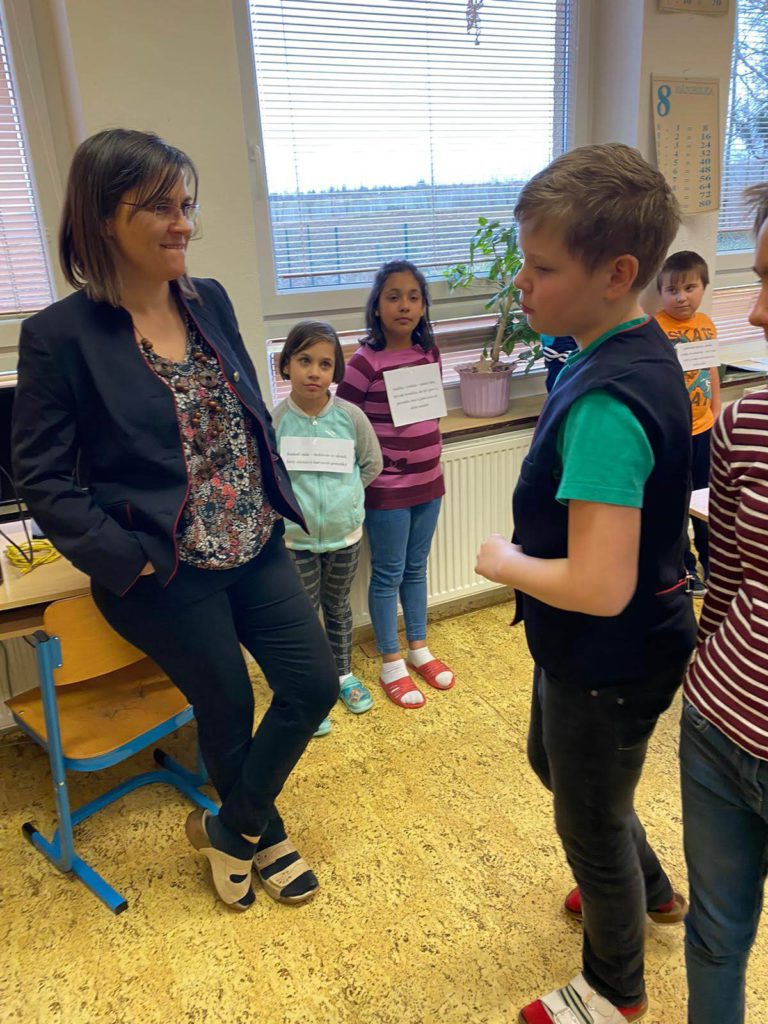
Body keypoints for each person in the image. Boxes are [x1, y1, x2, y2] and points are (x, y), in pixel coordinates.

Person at [11, 129, 339, 911]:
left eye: (186, 204)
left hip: (253, 542)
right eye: (159, 207)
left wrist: (271, 493)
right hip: (165, 567)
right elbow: (42, 477)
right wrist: (125, 557)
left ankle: (232, 828)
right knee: (228, 705)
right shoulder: (59, 337)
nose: (183, 222)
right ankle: (267, 834)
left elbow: (243, 413)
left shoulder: (208, 299)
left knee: (313, 684)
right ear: (102, 218)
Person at [475, 143, 697, 1024]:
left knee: (589, 825)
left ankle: (614, 989)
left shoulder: (608, 401)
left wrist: (504, 563)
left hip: (612, 651)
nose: (522, 282)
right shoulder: (621, 348)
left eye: (542, 267)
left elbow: (601, 587)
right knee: (558, 766)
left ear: (617, 274)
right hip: (597, 647)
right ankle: (651, 889)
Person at [681, 183, 768, 1024]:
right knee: (714, 938)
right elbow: (730, 579)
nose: (761, 312)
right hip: (717, 726)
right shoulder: (744, 426)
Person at [335, 260, 455, 709]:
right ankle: (391, 661)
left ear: (423, 306)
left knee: (416, 568)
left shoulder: (429, 352)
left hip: (430, 482)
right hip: (387, 489)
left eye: (413, 297)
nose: (404, 305)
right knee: (388, 573)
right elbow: (344, 421)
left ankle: (418, 647)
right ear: (377, 306)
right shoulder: (364, 362)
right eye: (393, 296)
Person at [273, 319, 383, 735]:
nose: (314, 372)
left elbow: (371, 465)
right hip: (295, 540)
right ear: (286, 364)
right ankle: (311, 690)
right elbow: (270, 478)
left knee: (337, 607)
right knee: (303, 615)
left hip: (344, 537)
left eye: (325, 363)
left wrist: (348, 500)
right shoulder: (274, 422)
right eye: (305, 361)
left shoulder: (351, 418)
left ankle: (342, 676)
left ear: (336, 370)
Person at [655, 250, 721, 597]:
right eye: (672, 290)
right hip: (674, 434)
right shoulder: (655, 329)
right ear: (661, 293)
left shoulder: (706, 324)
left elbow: (711, 371)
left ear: (703, 287)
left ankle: (714, 564)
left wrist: (717, 412)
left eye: (689, 288)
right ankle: (686, 568)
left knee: (707, 501)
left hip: (704, 428)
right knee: (678, 503)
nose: (681, 297)